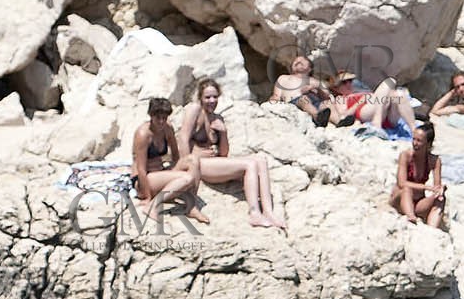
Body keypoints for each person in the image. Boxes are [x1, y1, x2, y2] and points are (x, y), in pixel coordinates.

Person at [178, 78, 283, 229]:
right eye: (207, 97)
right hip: (199, 165)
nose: (212, 101)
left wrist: (223, 132)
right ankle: (254, 213)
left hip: (215, 163)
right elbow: (183, 138)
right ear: (200, 97)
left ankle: (268, 212)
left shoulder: (217, 118)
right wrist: (186, 167)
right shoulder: (195, 110)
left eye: (215, 97)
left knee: (261, 160)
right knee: (250, 164)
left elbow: (224, 154)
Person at [131, 97, 206, 222]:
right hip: (143, 179)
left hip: (160, 172)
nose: (161, 121)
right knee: (187, 178)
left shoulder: (167, 128)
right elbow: (141, 168)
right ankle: (152, 205)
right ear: (151, 115)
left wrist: (174, 172)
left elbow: (176, 155)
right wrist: (147, 196)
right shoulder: (143, 134)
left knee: (193, 160)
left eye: (164, 118)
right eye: (158, 118)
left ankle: (191, 206)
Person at [389, 121, 445, 227]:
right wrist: (426, 187)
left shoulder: (434, 160)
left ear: (428, 144)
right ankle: (411, 218)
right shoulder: (405, 155)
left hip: (418, 203)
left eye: (419, 141)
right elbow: (401, 183)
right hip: (400, 199)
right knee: (407, 189)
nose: (415, 143)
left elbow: (436, 186)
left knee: (440, 198)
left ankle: (432, 229)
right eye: (414, 139)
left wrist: (440, 190)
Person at [329, 72, 417, 132]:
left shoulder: (360, 92)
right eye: (344, 82)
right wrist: (361, 101)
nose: (348, 84)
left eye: (350, 81)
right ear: (337, 88)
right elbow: (344, 115)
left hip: (386, 114)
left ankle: (414, 131)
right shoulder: (341, 99)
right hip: (364, 111)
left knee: (399, 94)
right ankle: (377, 121)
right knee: (390, 81)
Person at [270, 56, 332, 128]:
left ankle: (339, 121)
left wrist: (316, 87)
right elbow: (276, 95)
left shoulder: (316, 81)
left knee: (329, 104)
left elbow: (327, 97)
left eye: (303, 60)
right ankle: (317, 116)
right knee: (303, 99)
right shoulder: (284, 78)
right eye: (295, 61)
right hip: (295, 102)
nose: (298, 61)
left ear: (310, 68)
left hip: (317, 103)